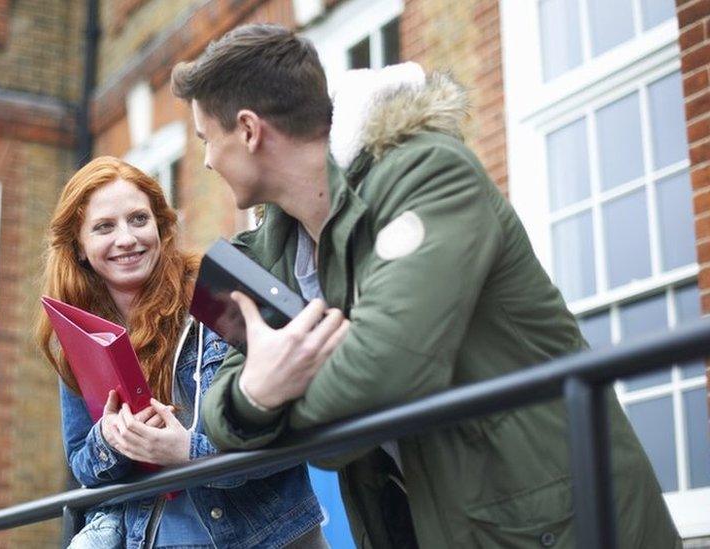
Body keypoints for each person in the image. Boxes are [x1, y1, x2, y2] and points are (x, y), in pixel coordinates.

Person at [170, 23, 682, 548]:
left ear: (250, 130)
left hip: (548, 524)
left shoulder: (428, 174)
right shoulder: (268, 248)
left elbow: (387, 370)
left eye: (208, 139)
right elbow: (219, 405)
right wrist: (258, 391)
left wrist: (278, 405)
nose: (207, 160)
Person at [36, 156, 327, 548]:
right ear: (80, 248)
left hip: (264, 537)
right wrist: (109, 438)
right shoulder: (80, 334)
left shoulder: (219, 293)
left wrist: (188, 453)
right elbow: (82, 465)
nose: (126, 238)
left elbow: (290, 433)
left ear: (160, 225)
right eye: (104, 227)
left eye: (139, 219)